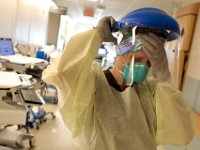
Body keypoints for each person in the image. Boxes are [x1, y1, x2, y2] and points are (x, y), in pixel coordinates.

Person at [42, 7, 194, 150]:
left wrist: (164, 76)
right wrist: (96, 36)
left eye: (149, 63)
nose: (143, 67)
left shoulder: (151, 91)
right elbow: (61, 73)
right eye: (137, 59)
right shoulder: (92, 84)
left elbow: (182, 133)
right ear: (121, 51)